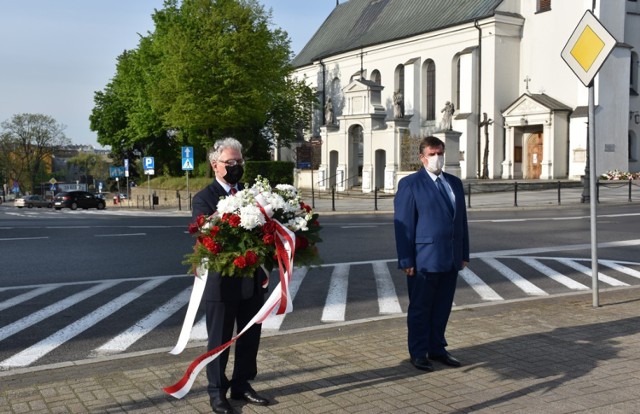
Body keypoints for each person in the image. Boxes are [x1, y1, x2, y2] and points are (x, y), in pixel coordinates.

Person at [192, 137, 269, 414]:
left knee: (250, 336)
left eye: (239, 162)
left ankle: (242, 384)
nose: (236, 166)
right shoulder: (204, 198)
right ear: (215, 165)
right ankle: (216, 391)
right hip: (221, 283)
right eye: (230, 162)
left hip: (251, 280)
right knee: (220, 340)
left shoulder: (251, 194)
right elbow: (206, 235)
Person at [393, 135, 469, 372]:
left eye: (440, 153)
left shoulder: (454, 183)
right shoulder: (410, 184)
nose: (437, 158)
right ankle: (418, 352)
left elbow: (462, 222)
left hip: (450, 257)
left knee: (443, 307)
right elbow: (402, 224)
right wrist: (406, 259)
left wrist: (464, 253)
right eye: (432, 154)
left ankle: (437, 348)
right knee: (420, 308)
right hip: (423, 260)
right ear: (422, 158)